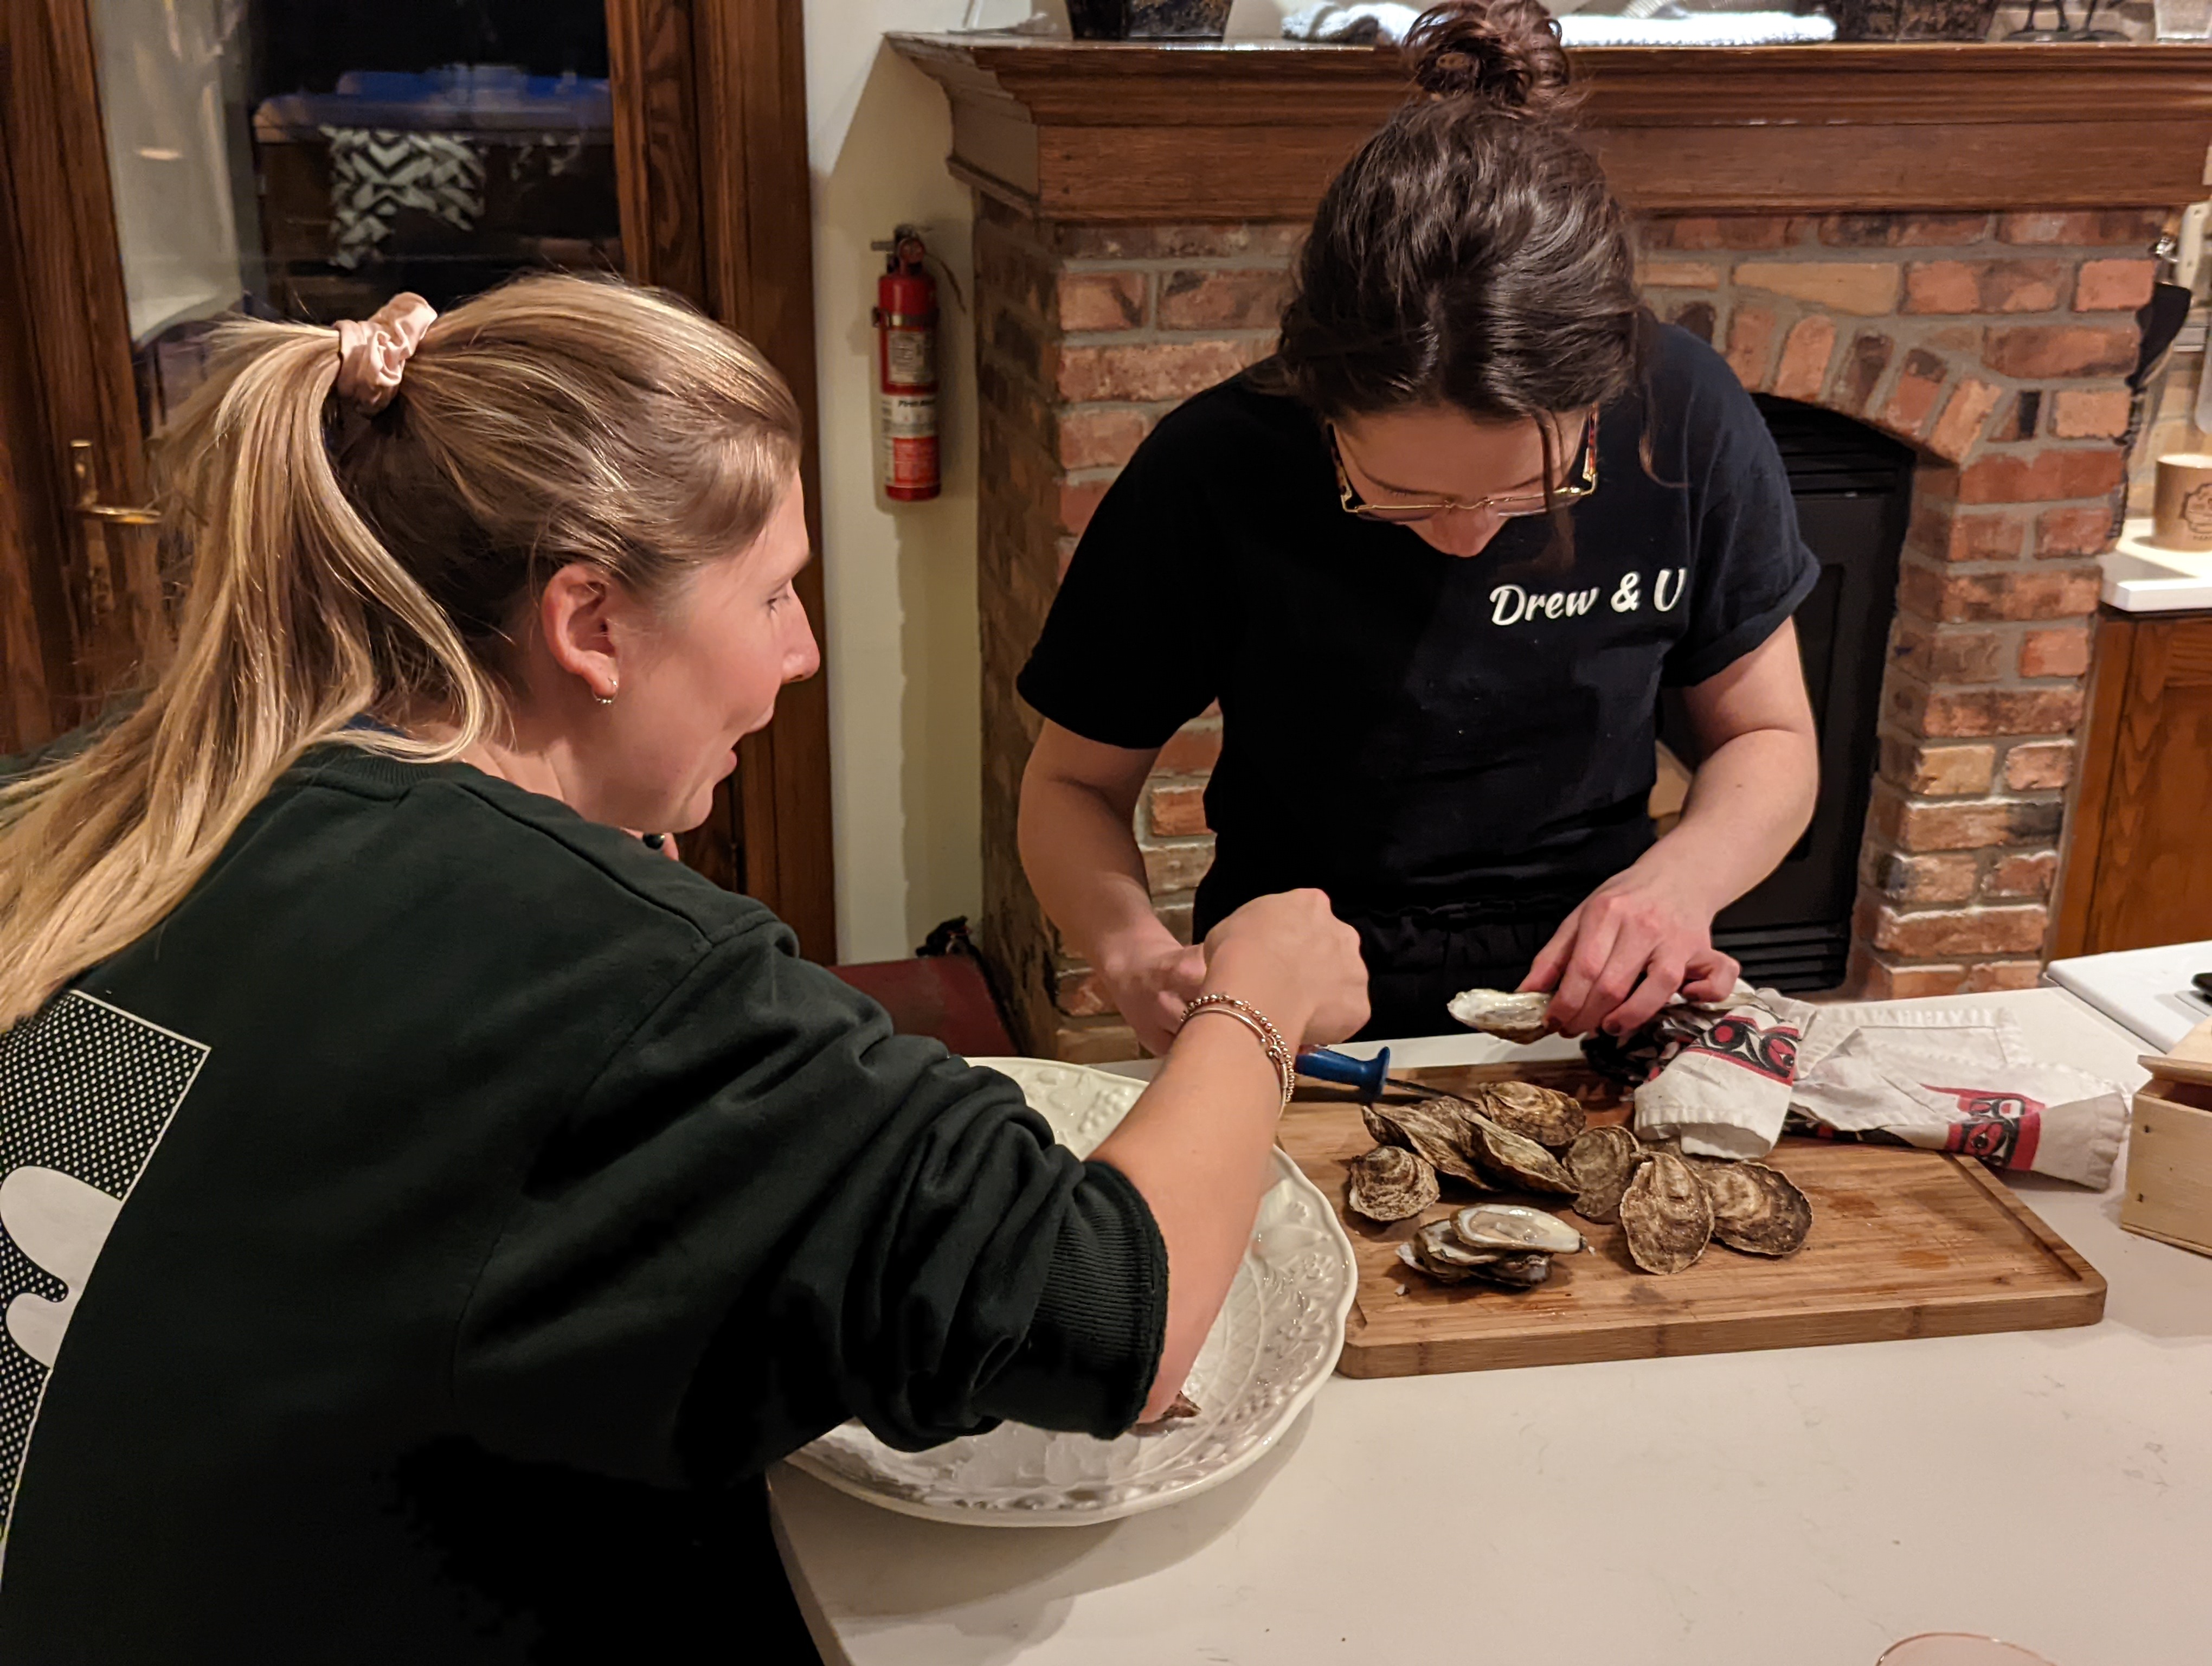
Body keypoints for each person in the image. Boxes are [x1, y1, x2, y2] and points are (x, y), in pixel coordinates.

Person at [0, 278, 1366, 1662]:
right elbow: (1109, 1311)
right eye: (774, 590)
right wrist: (1259, 988)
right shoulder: (591, 972)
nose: (803, 651)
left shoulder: (101, 803)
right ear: (589, 622)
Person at [1017, 0, 1822, 1053]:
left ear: (1605, 393)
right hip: (1299, 1008)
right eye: (1398, 495)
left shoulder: (1685, 414)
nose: (1465, 540)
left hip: (1593, 996)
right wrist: (1130, 951)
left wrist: (1677, 886)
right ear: (1318, 398)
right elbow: (1070, 786)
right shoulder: (1217, 464)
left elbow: (1770, 736)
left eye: (1527, 493)